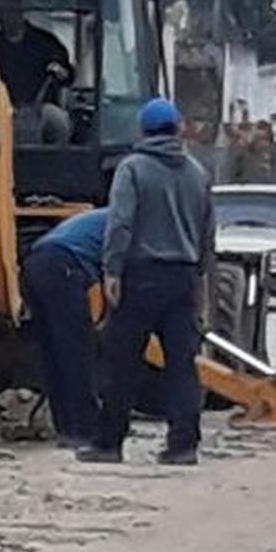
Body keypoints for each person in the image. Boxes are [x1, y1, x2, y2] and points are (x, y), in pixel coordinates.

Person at [78, 97, 214, 467]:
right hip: (183, 277)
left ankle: (109, 444)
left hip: (140, 276)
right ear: (178, 128)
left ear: (143, 130)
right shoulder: (197, 174)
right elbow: (207, 233)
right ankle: (183, 445)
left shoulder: (132, 169)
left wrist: (112, 270)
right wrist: (199, 276)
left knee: (123, 362)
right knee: (182, 365)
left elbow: (120, 223)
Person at [23, 208, 105, 448]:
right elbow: (118, 268)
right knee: (77, 351)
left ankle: (67, 428)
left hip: (35, 265)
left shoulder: (99, 220)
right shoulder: (128, 224)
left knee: (54, 351)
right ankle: (84, 430)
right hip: (62, 265)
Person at [0, 0, 74, 144]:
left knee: (58, 121)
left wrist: (61, 72)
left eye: (7, 10)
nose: (3, 17)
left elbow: (67, 75)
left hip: (43, 110)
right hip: (3, 110)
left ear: (19, 10)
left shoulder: (46, 43)